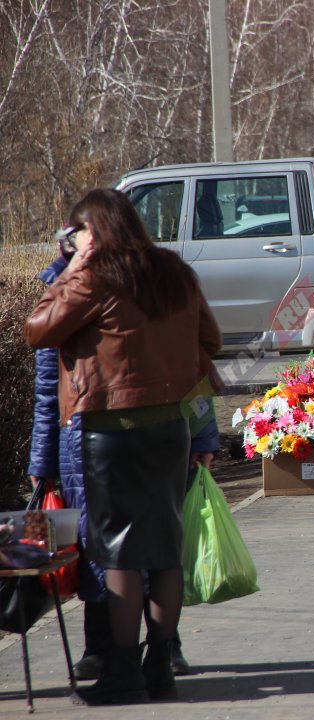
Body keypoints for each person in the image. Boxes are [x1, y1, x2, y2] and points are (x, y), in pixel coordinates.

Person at [26, 188, 222, 705]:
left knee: (117, 550)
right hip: (169, 429)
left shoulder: (93, 276)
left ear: (93, 231)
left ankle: (121, 673)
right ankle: (161, 666)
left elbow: (38, 329)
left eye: (76, 233)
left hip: (109, 431)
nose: (70, 243)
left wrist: (71, 269)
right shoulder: (173, 271)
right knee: (162, 550)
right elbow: (212, 341)